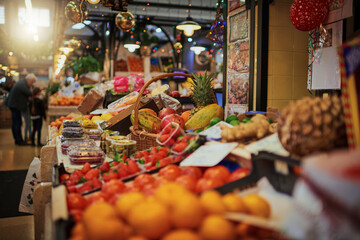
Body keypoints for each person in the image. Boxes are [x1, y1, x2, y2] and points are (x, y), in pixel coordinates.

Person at [5, 73, 37, 145]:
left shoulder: (22, 83)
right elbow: (30, 93)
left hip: (14, 105)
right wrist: (31, 88)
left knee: (17, 123)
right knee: (17, 123)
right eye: (32, 82)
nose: (32, 84)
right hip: (15, 106)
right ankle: (19, 140)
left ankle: (18, 140)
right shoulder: (22, 84)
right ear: (29, 80)